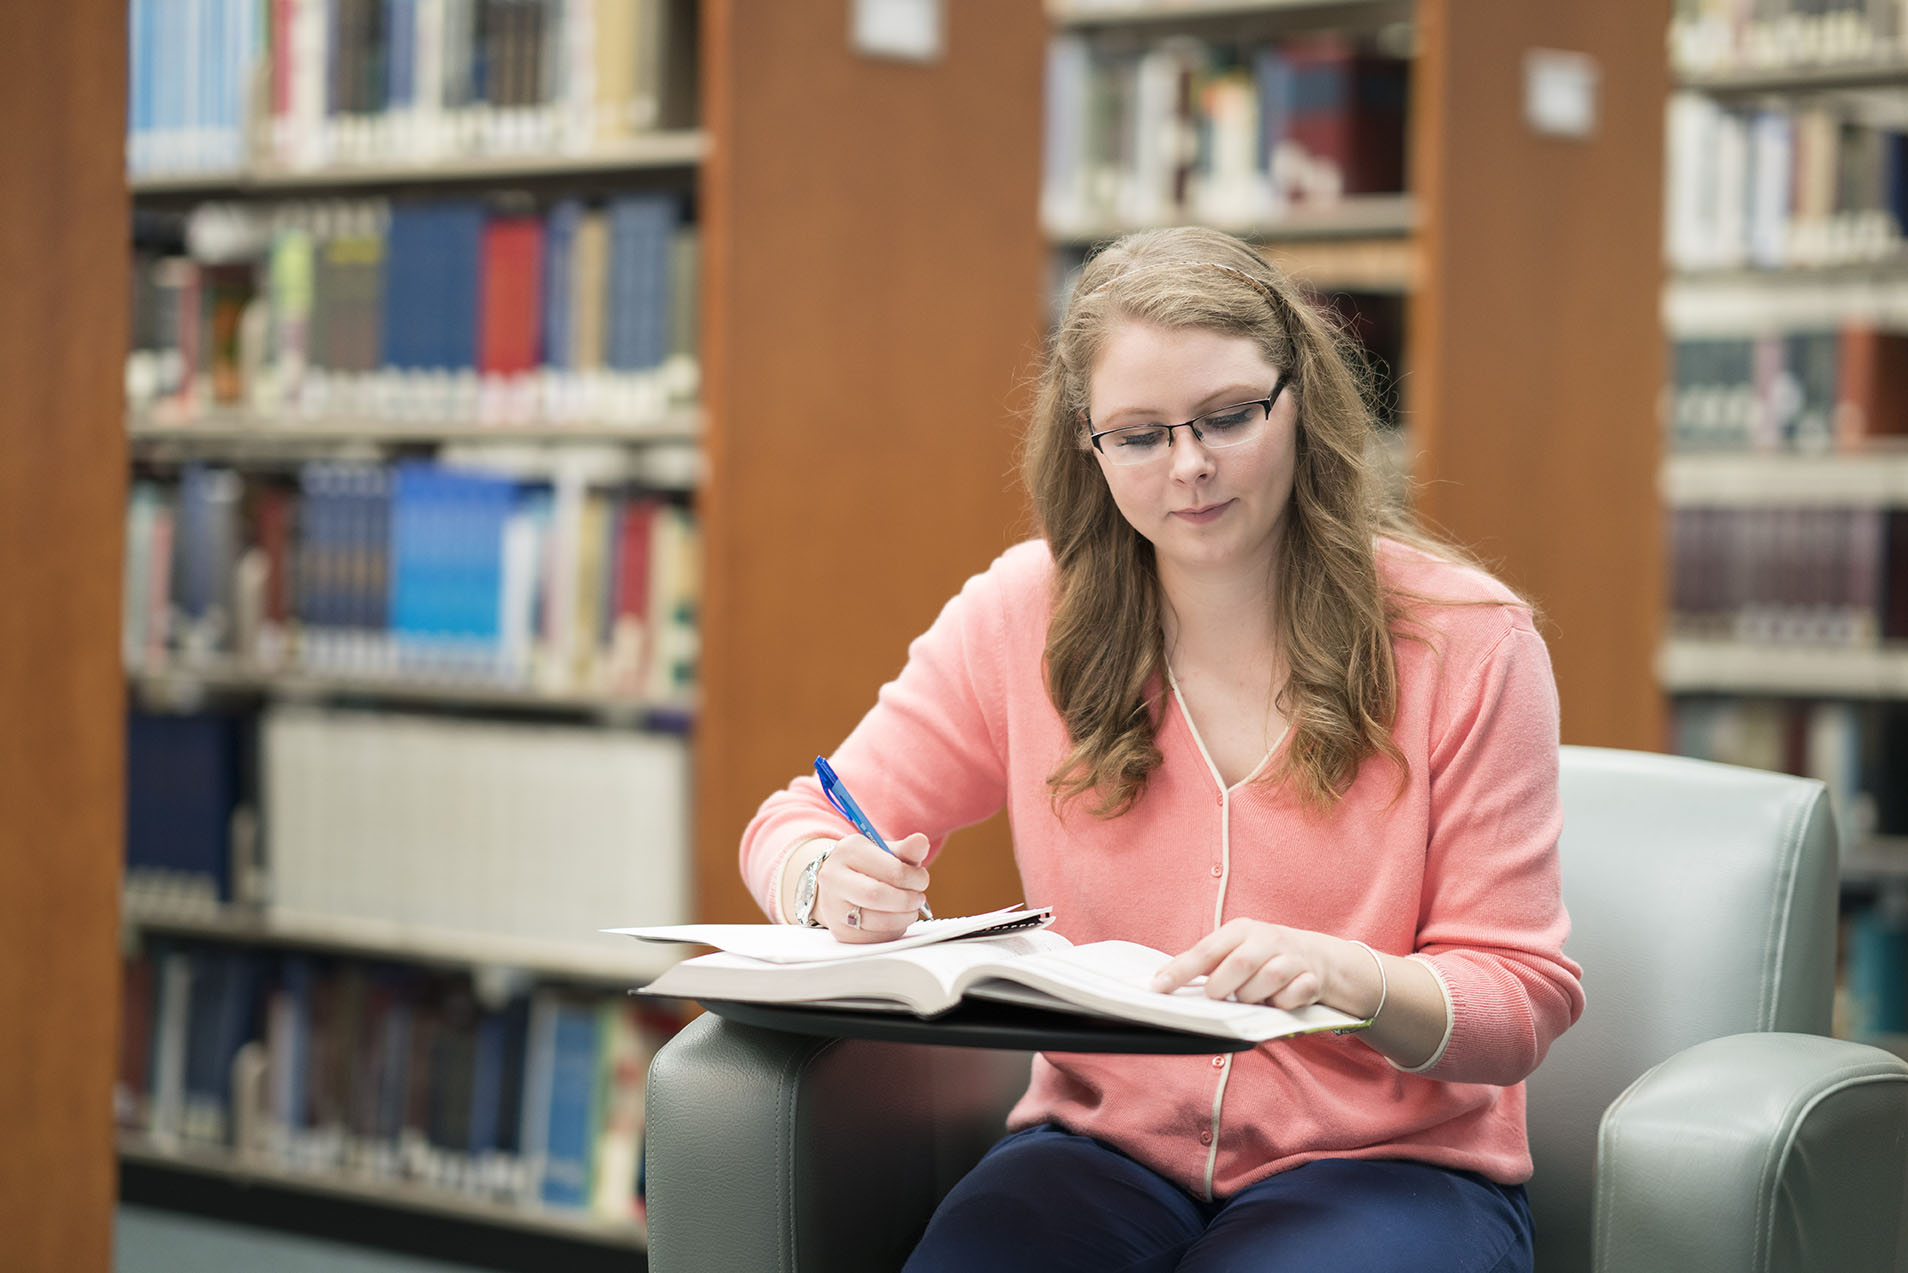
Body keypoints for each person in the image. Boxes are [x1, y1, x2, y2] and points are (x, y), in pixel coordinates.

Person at [736, 225, 1584, 1273]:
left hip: (1390, 1168)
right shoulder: (1023, 614)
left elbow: (1521, 999)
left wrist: (1354, 979)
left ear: (1301, 400)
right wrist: (825, 879)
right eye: (1138, 435)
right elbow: (794, 822)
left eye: (1228, 417)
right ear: (1086, 444)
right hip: (1101, 1152)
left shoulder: (1467, 640)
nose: (1189, 467)